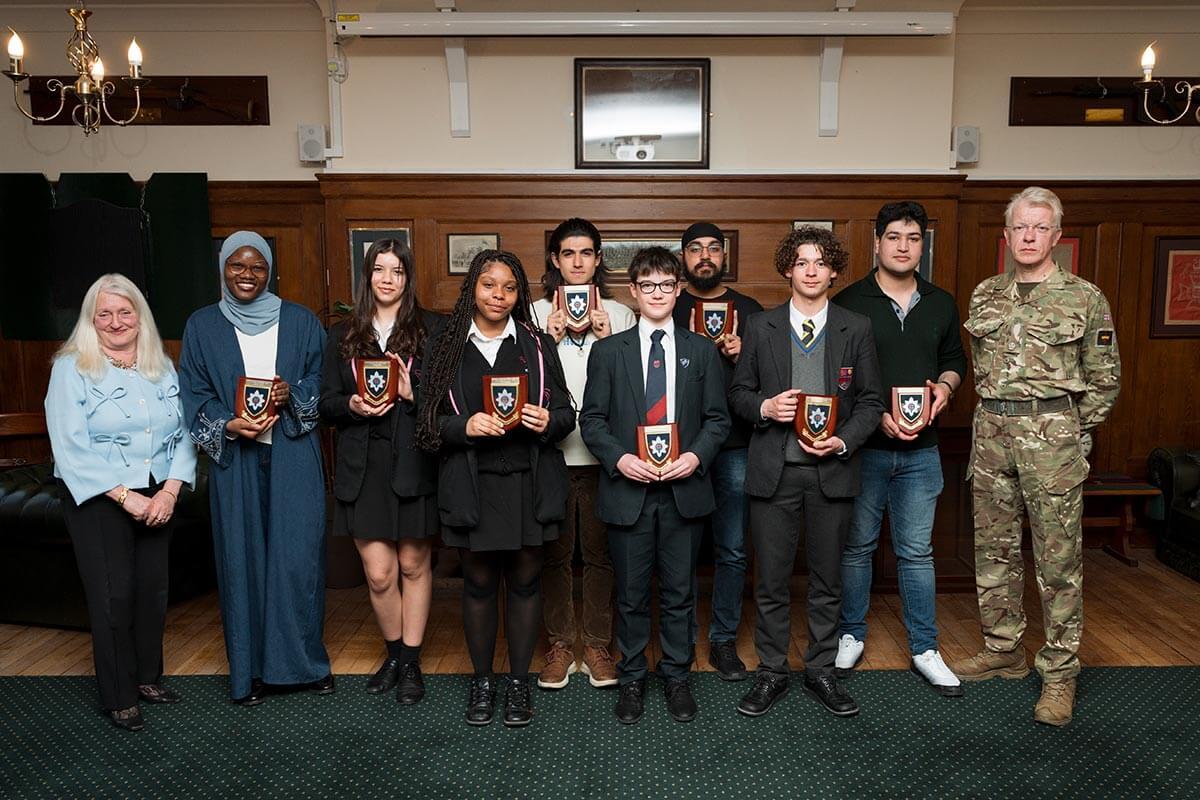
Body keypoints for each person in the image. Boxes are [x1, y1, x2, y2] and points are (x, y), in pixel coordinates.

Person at [952, 187, 1121, 727]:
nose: (1028, 236)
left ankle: (1059, 672)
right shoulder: (985, 296)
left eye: (1039, 228)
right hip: (991, 433)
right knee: (994, 547)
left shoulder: (1084, 297)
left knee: (1058, 561)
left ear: (1055, 235)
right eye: (1020, 228)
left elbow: (1104, 379)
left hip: (1053, 437)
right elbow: (981, 369)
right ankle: (1003, 649)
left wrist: (1070, 431)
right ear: (1007, 236)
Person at [729, 226, 883, 718]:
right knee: (771, 580)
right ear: (787, 270)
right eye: (801, 262)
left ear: (833, 271)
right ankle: (772, 671)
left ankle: (820, 670)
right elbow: (738, 395)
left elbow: (871, 400)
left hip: (831, 472)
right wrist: (765, 408)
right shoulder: (761, 326)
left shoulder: (855, 327)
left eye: (820, 262)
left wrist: (843, 439)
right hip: (774, 471)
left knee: (826, 579)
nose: (811, 270)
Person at [416, 249, 574, 728]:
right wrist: (464, 427)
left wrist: (548, 419)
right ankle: (483, 681)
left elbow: (567, 414)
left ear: (518, 294)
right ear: (473, 288)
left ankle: (519, 683)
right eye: (489, 285)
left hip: (528, 483)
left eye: (508, 287)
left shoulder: (536, 343)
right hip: (470, 485)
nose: (499, 295)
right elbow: (425, 424)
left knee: (525, 585)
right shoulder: (445, 343)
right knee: (480, 587)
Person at [179, 231, 333, 706]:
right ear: (223, 269)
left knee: (296, 562)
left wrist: (295, 395)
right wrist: (227, 423)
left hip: (293, 456)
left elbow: (323, 383)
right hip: (236, 461)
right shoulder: (202, 326)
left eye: (257, 267)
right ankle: (251, 673)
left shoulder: (302, 321)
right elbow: (194, 391)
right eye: (236, 266)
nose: (247, 275)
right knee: (242, 562)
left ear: (270, 271)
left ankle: (302, 666)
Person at [579, 246, 731, 725]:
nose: (658, 293)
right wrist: (622, 459)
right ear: (634, 291)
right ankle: (630, 678)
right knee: (629, 593)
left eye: (667, 285)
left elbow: (717, 420)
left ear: (679, 289)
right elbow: (593, 421)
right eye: (648, 285)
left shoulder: (701, 351)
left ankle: (676, 675)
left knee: (681, 592)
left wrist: (694, 456)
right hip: (629, 492)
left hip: (684, 492)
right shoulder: (608, 352)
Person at [45, 274, 197, 732]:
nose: (116, 322)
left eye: (125, 312)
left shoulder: (160, 364)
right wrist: (126, 498)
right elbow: (69, 446)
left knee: (152, 591)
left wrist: (170, 490)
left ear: (140, 316)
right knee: (114, 595)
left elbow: (185, 430)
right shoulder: (71, 367)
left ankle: (148, 677)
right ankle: (119, 694)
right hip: (100, 497)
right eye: (104, 313)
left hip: (157, 493)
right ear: (91, 320)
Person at [830, 202, 967, 697]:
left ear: (922, 245)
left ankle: (925, 649)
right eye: (894, 237)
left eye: (912, 237)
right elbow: (837, 380)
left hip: (923, 449)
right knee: (858, 547)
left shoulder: (941, 302)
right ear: (877, 243)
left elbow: (954, 360)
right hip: (865, 449)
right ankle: (850, 634)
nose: (903, 245)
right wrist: (872, 416)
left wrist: (945, 390)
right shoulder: (849, 302)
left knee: (916, 552)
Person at [319, 238, 442, 704]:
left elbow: (450, 399)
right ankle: (394, 653)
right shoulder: (341, 334)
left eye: (397, 270)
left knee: (413, 564)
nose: (387, 278)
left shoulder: (433, 329)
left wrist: (415, 394)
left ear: (408, 278)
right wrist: (350, 404)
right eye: (379, 270)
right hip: (362, 466)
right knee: (378, 573)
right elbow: (325, 402)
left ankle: (409, 662)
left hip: (413, 460)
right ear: (367, 276)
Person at [532, 218, 635, 691]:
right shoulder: (532, 315)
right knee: (552, 556)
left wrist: (608, 336)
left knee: (600, 556)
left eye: (586, 253)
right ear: (555, 259)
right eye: (568, 253)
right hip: (548, 453)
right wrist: (545, 344)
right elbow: (512, 388)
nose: (577, 261)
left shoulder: (622, 314)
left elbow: (638, 386)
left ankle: (595, 643)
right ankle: (558, 643)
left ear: (598, 259)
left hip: (603, 457)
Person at [672, 221, 763, 681]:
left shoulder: (749, 309)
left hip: (737, 449)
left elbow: (772, 376)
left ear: (724, 255)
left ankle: (723, 640)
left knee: (731, 550)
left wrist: (743, 355)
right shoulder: (670, 302)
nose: (704, 256)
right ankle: (682, 639)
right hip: (680, 449)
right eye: (695, 249)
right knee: (682, 550)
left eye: (713, 248)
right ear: (683, 257)